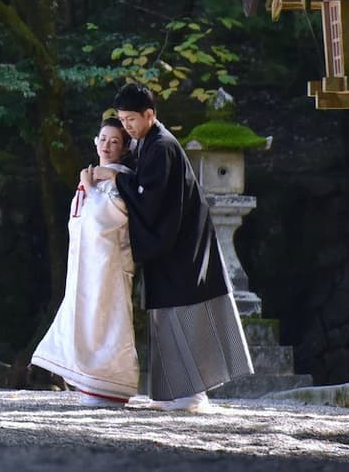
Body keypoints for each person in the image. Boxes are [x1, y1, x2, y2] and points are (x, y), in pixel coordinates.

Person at [96, 82, 253, 411]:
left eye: (130, 121)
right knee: (166, 315)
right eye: (122, 121)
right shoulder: (147, 143)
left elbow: (149, 198)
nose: (126, 127)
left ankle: (192, 395)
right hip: (172, 241)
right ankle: (178, 395)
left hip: (181, 245)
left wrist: (116, 179)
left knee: (181, 313)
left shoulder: (162, 146)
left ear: (149, 115)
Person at [31, 117, 140, 407]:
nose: (107, 145)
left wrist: (89, 188)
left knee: (107, 318)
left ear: (124, 148)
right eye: (103, 139)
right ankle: (88, 382)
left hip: (109, 263)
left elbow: (106, 217)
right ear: (95, 141)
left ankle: (110, 383)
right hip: (88, 263)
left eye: (114, 141)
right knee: (86, 315)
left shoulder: (119, 178)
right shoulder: (96, 175)